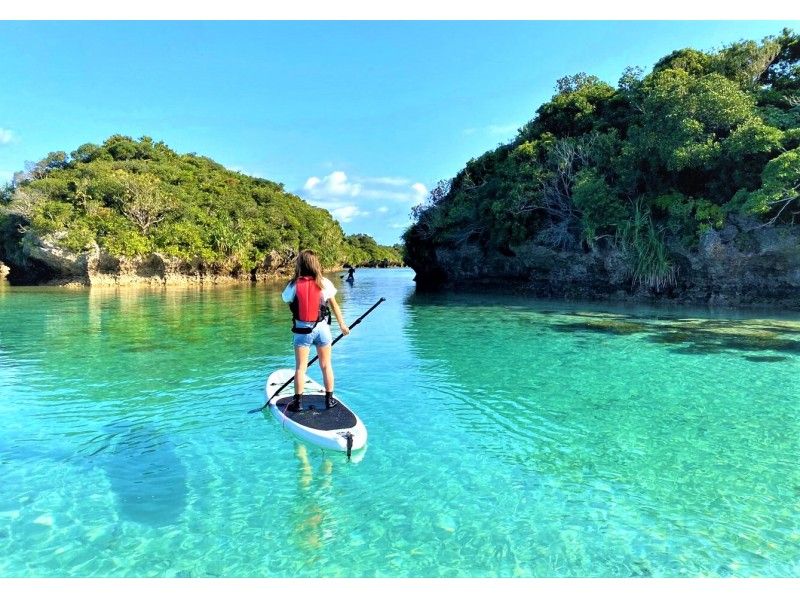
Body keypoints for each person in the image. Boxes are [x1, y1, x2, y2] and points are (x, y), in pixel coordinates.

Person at [281, 250, 349, 412]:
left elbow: (286, 299)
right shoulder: (324, 282)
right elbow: (335, 305)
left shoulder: (293, 285)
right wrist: (342, 326)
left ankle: (298, 403)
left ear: (300, 265)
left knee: (300, 368)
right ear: (316, 264)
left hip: (302, 331)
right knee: (326, 366)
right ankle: (329, 400)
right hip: (322, 330)